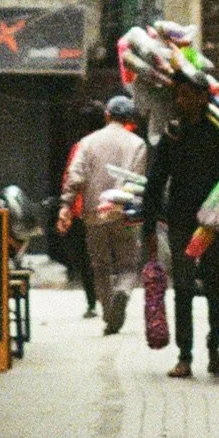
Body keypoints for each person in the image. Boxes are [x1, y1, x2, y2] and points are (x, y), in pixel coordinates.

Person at [139, 74, 219, 379]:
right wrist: (149, 227)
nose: (179, 101)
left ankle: (214, 347)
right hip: (181, 220)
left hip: (215, 222)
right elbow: (155, 182)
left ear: (203, 97)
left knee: (215, 287)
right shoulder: (173, 134)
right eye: (177, 95)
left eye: (186, 95)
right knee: (182, 288)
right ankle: (185, 356)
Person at [73, 95, 148, 333]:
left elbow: (76, 176)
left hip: (95, 213)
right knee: (128, 265)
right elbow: (137, 181)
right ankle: (123, 292)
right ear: (129, 119)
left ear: (107, 115)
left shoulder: (88, 142)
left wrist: (66, 205)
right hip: (124, 213)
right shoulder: (138, 144)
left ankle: (108, 314)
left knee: (100, 266)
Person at [56, 126, 101, 318]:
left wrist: (66, 207)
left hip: (82, 210)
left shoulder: (80, 147)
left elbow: (70, 177)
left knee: (84, 257)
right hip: (107, 207)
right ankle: (107, 297)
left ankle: (92, 302)